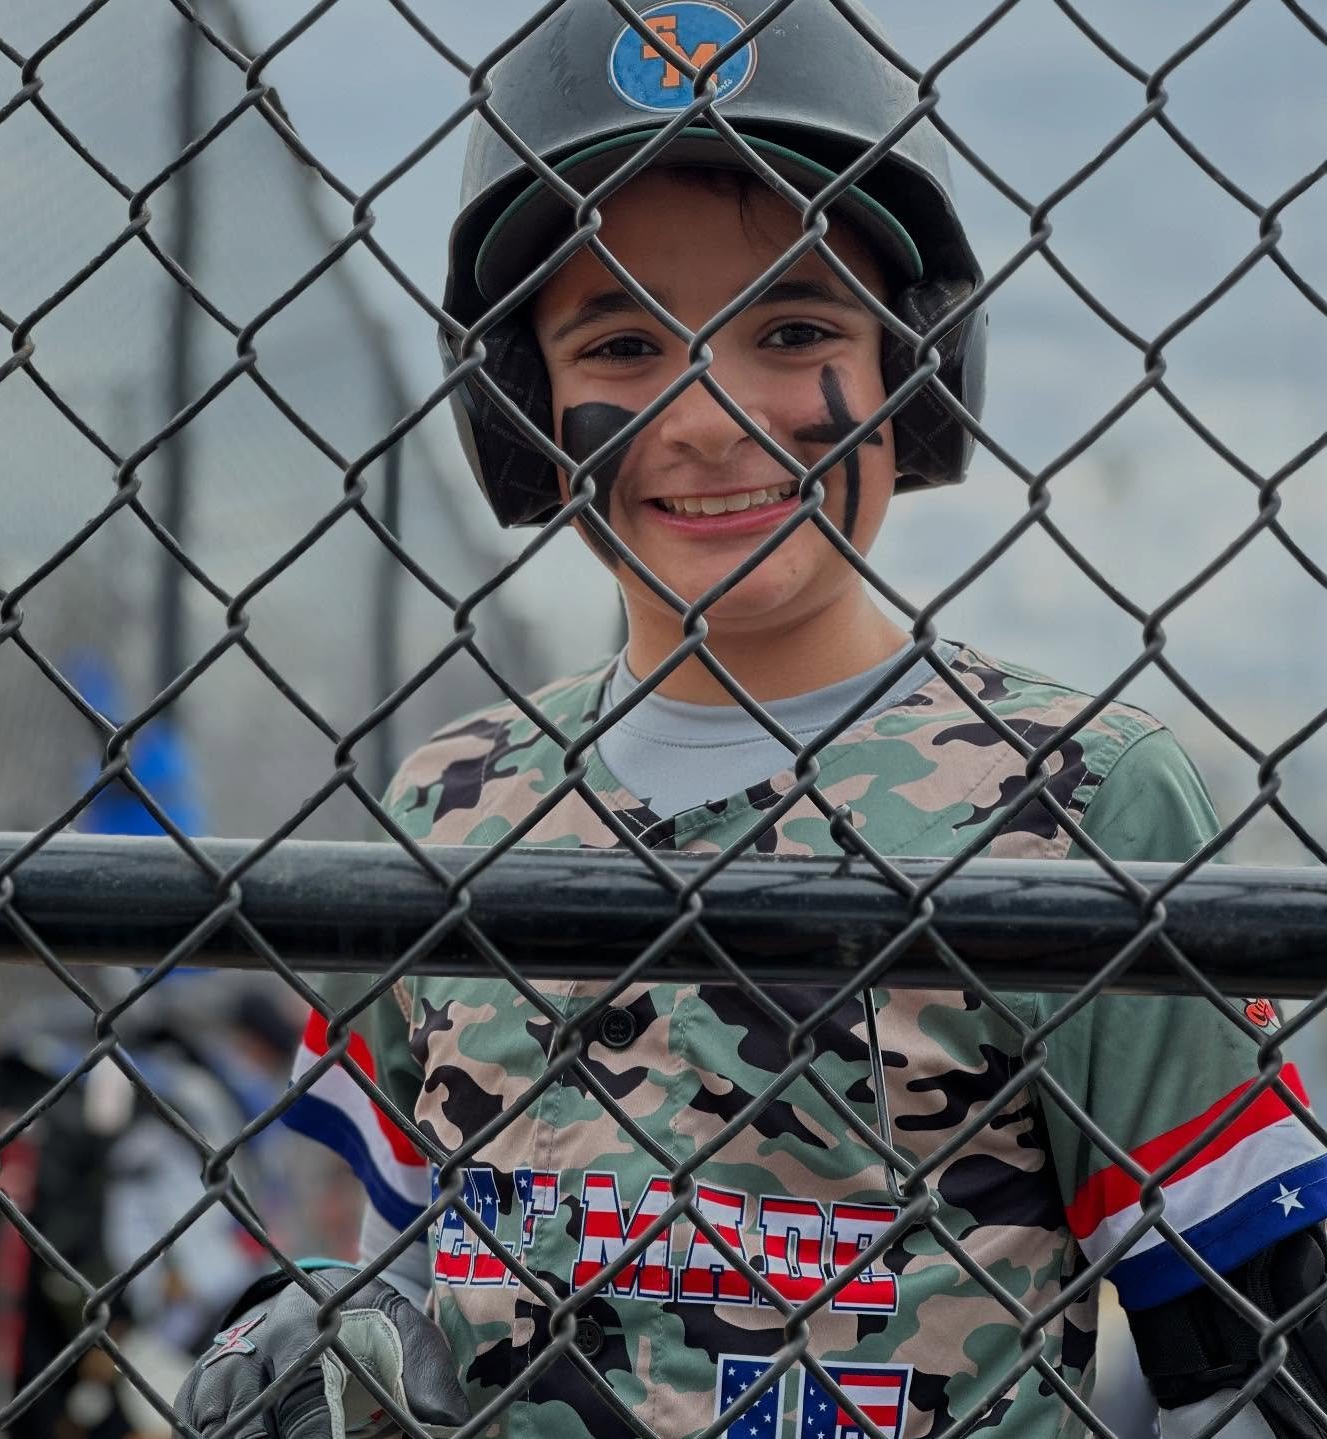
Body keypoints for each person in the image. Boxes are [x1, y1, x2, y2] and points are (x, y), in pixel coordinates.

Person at [174, 3, 1327, 1436]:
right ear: (521, 406)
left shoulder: (1086, 796)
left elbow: (1247, 1365)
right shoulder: (450, 803)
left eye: (792, 328)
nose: (712, 414)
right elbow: (395, 1290)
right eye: (622, 345)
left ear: (916, 368)